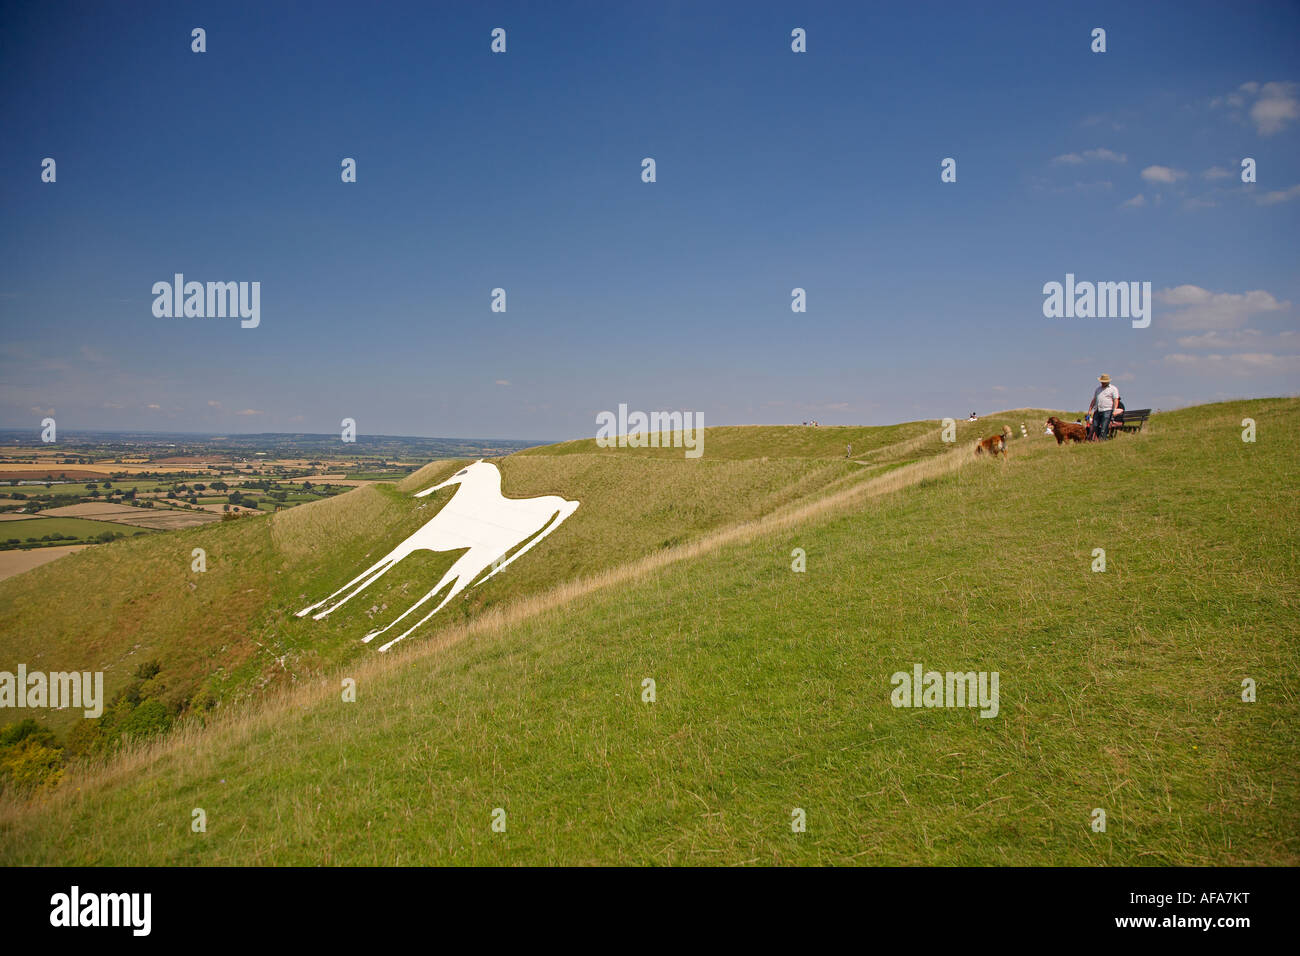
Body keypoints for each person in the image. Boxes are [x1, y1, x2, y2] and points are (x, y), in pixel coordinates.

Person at [1088, 373, 1121, 440]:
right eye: (1102, 382)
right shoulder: (1098, 389)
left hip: (1107, 410)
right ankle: (1102, 438)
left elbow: (1115, 400)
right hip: (1098, 409)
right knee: (1095, 425)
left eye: (1104, 382)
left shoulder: (1113, 389)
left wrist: (1114, 410)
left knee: (1104, 426)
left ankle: (1102, 439)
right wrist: (1090, 410)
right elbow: (1094, 400)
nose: (1103, 383)